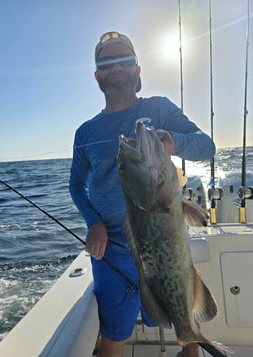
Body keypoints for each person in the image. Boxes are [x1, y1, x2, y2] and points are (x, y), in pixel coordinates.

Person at [69, 31, 216, 357]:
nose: (116, 68)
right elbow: (76, 184)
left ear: (138, 70)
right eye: (107, 63)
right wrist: (93, 221)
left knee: (185, 321)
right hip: (112, 254)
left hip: (164, 243)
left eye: (125, 60)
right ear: (97, 76)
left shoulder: (160, 108)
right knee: (114, 336)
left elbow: (207, 147)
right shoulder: (86, 132)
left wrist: (173, 141)